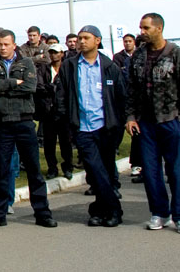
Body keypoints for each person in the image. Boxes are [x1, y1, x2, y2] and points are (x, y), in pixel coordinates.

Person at [125, 13, 180, 234]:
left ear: (159, 28)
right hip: (146, 124)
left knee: (177, 171)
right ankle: (159, 213)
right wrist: (130, 117)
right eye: (140, 27)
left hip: (171, 121)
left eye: (146, 28)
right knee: (150, 171)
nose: (142, 32)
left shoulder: (175, 54)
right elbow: (131, 90)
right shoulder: (138, 56)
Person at [0, 29, 57, 229]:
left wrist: (3, 86)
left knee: (34, 169)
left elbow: (30, 87)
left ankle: (42, 212)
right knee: (2, 170)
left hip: (24, 122)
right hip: (1, 123)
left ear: (14, 45)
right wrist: (14, 82)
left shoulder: (27, 63)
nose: (3, 48)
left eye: (6, 44)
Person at [57, 26, 126, 227]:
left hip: (105, 127)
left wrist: (119, 123)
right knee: (95, 170)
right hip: (82, 127)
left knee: (103, 170)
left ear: (97, 40)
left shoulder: (109, 67)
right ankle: (114, 210)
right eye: (79, 38)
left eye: (86, 38)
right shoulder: (69, 66)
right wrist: (66, 119)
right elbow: (61, 94)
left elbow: (120, 97)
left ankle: (99, 210)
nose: (81, 41)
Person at [35, 44, 73, 179]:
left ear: (62, 53)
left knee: (65, 142)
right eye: (51, 52)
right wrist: (51, 88)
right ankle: (52, 168)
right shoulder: (43, 69)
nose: (53, 55)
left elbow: (69, 88)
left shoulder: (67, 69)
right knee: (49, 143)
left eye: (56, 52)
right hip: (48, 111)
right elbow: (39, 87)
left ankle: (68, 167)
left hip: (63, 112)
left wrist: (52, 89)